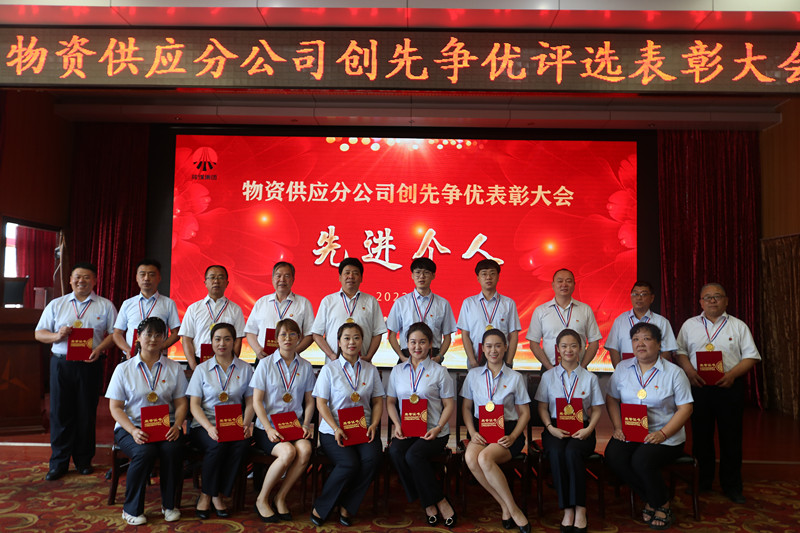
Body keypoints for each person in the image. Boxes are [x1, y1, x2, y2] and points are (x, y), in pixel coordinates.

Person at [675, 283, 760, 504]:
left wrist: (732, 375)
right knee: (701, 437)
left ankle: (732, 485)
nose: (712, 300)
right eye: (708, 297)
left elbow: (751, 356)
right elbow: (680, 351)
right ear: (700, 302)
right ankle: (703, 481)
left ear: (726, 301)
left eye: (717, 296)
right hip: (699, 386)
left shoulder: (738, 326)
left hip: (729, 386)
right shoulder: (689, 325)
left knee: (731, 437)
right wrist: (689, 371)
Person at [605, 322, 693, 530]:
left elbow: (686, 408)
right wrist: (618, 427)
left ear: (659, 344)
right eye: (635, 339)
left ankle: (662, 504)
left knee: (641, 460)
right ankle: (654, 498)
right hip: (631, 431)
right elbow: (611, 398)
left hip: (665, 436)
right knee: (613, 456)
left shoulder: (674, 373)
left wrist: (663, 433)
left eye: (646, 338)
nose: (640, 343)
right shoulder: (622, 368)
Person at [35, 261, 118, 481]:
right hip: (61, 364)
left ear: (95, 281)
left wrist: (99, 349)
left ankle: (84, 460)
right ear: (71, 280)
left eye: (87, 277)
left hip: (90, 364)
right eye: (78, 277)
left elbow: (115, 334)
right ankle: (59, 462)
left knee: (86, 412)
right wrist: (57, 336)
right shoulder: (57, 304)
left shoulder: (105, 305)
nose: (82, 281)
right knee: (60, 413)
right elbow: (39, 333)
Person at [106, 317, 188, 526]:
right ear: (138, 338)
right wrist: (133, 431)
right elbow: (115, 408)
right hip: (131, 427)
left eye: (158, 335)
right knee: (144, 452)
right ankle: (131, 509)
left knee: (173, 449)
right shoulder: (123, 369)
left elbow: (181, 403)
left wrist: (177, 425)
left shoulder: (174, 368)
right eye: (148, 334)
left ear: (164, 339)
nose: (153, 339)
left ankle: (169, 505)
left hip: (166, 426)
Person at [310, 322, 385, 526]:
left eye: (356, 338)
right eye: (347, 338)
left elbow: (378, 401)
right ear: (339, 342)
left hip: (363, 429)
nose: (352, 342)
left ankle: (347, 505)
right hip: (333, 430)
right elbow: (321, 403)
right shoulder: (329, 370)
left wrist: (374, 425)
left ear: (362, 342)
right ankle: (322, 507)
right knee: (349, 463)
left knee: (372, 458)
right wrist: (336, 428)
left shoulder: (370, 370)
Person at [386, 322, 457, 526]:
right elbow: (390, 402)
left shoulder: (439, 371)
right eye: (413, 342)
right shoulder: (397, 371)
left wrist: (438, 427)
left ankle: (436, 502)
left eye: (422, 342)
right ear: (406, 343)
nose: (417, 347)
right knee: (395, 451)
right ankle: (431, 498)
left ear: (431, 344)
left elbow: (449, 405)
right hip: (407, 430)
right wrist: (397, 424)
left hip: (434, 430)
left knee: (413, 455)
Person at [461, 329, 531, 533]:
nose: (493, 350)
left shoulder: (515, 377)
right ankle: (507, 506)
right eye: (489, 346)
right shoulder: (473, 375)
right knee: (471, 458)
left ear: (506, 348)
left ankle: (513, 510)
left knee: (484, 459)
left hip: (507, 431)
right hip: (480, 430)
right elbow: (466, 408)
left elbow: (525, 413)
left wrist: (513, 436)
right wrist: (472, 432)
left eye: (498, 345)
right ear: (482, 349)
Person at [535, 329, 604, 533]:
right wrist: (550, 428)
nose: (569, 350)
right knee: (557, 452)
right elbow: (542, 407)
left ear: (581, 348)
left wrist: (589, 429)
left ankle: (580, 508)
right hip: (555, 427)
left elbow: (597, 409)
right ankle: (567, 509)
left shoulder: (590, 378)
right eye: (564, 346)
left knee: (572, 452)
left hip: (582, 428)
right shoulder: (548, 376)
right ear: (557, 349)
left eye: (573, 346)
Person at [250, 318, 316, 522]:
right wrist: (268, 429)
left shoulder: (306, 366)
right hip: (267, 427)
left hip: (294, 426)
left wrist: (305, 424)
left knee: (305, 449)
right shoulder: (265, 364)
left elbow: (310, 401)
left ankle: (280, 497)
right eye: (283, 335)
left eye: (292, 334)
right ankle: (262, 499)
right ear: (276, 339)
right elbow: (257, 401)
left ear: (299, 338)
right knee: (287, 451)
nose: (288, 338)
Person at [186, 322, 255, 519]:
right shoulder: (202, 369)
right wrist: (209, 427)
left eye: (227, 339)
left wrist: (245, 424)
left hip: (234, 424)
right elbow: (194, 405)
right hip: (204, 424)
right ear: (211, 342)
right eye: (217, 339)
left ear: (234, 342)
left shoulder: (246, 369)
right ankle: (208, 495)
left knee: (242, 444)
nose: (222, 344)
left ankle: (217, 493)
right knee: (217, 443)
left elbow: (251, 402)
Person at [312, 258, 387, 362]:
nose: (351, 276)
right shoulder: (328, 301)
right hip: (334, 364)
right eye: (347, 273)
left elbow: (378, 333)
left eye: (355, 273)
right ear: (340, 277)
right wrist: (332, 356)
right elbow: (317, 333)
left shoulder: (371, 301)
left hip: (362, 363)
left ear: (361, 278)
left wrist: (368, 357)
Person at [527, 268, 602, 370]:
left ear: (574, 285)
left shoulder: (585, 309)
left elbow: (594, 341)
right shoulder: (541, 311)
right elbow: (533, 343)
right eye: (560, 281)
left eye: (568, 281)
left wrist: (582, 367)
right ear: (553, 285)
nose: (564, 284)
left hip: (578, 368)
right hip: (550, 368)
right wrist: (549, 368)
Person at [386, 257, 457, 364]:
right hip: (407, 356)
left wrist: (439, 357)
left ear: (433, 276)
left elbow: (447, 336)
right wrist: (402, 357)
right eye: (418, 272)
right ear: (412, 275)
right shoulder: (401, 303)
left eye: (426, 273)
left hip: (433, 356)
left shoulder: (443, 304)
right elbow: (392, 335)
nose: (422, 276)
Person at [179, 265, 246, 371]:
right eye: (212, 277)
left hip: (226, 363)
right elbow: (186, 339)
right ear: (205, 282)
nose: (216, 281)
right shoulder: (193, 308)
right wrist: (194, 367)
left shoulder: (235, 309)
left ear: (227, 283)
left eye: (220, 277)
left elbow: (238, 339)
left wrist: (231, 364)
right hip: (198, 362)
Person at [457, 259, 521, 368]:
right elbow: (465, 334)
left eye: (492, 273)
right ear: (478, 278)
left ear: (498, 277)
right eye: (484, 274)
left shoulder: (508, 303)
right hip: (476, 360)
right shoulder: (469, 303)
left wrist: (509, 361)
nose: (488, 277)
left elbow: (513, 334)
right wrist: (472, 361)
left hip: (502, 360)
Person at [245, 261, 315, 359]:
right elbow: (250, 331)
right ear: (272, 279)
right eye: (278, 276)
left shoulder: (303, 303)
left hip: (291, 359)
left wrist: (294, 352)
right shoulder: (261, 302)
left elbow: (310, 334)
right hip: (264, 358)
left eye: (287, 276)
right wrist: (258, 350)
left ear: (293, 279)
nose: (282, 279)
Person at [113, 259, 181, 357]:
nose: (146, 278)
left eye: (151, 275)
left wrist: (161, 347)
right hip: (132, 356)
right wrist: (127, 350)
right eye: (142, 274)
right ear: (136, 278)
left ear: (159, 278)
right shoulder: (128, 303)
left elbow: (176, 333)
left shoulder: (168, 303)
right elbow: (117, 333)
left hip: (158, 357)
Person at [606, 281, 678, 367]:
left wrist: (653, 370)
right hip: (625, 371)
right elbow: (613, 349)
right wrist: (620, 371)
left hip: (653, 371)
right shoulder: (620, 320)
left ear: (652, 298)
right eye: (635, 294)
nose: (639, 298)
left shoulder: (662, 322)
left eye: (643, 294)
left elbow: (667, 350)